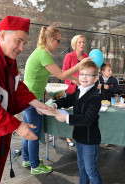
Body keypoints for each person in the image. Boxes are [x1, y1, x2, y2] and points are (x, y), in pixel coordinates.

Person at [0, 16, 53, 184]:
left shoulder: (5, 55)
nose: (21, 48)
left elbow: (15, 85)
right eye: (18, 41)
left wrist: (35, 102)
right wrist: (17, 125)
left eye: (24, 42)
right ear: (3, 34)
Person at [22, 26, 91, 174]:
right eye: (58, 41)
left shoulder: (41, 53)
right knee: (34, 132)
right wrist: (79, 65)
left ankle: (27, 159)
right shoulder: (43, 54)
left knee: (28, 130)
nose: (59, 44)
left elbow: (60, 73)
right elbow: (61, 75)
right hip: (32, 98)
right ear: (50, 39)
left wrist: (75, 78)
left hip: (28, 97)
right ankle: (35, 165)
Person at [52, 61, 107, 184]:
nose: (84, 77)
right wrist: (55, 103)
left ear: (95, 78)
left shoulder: (95, 97)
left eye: (89, 75)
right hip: (79, 137)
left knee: (90, 169)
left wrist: (67, 118)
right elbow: (68, 100)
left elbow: (88, 119)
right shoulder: (79, 90)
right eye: (82, 74)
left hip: (90, 139)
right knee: (82, 167)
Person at [62, 35, 88, 147]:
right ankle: (68, 135)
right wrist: (74, 81)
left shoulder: (86, 56)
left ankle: (80, 134)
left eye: (83, 42)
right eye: (79, 42)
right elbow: (63, 73)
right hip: (72, 90)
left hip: (84, 90)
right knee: (71, 113)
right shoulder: (69, 56)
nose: (82, 44)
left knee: (82, 113)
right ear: (74, 44)